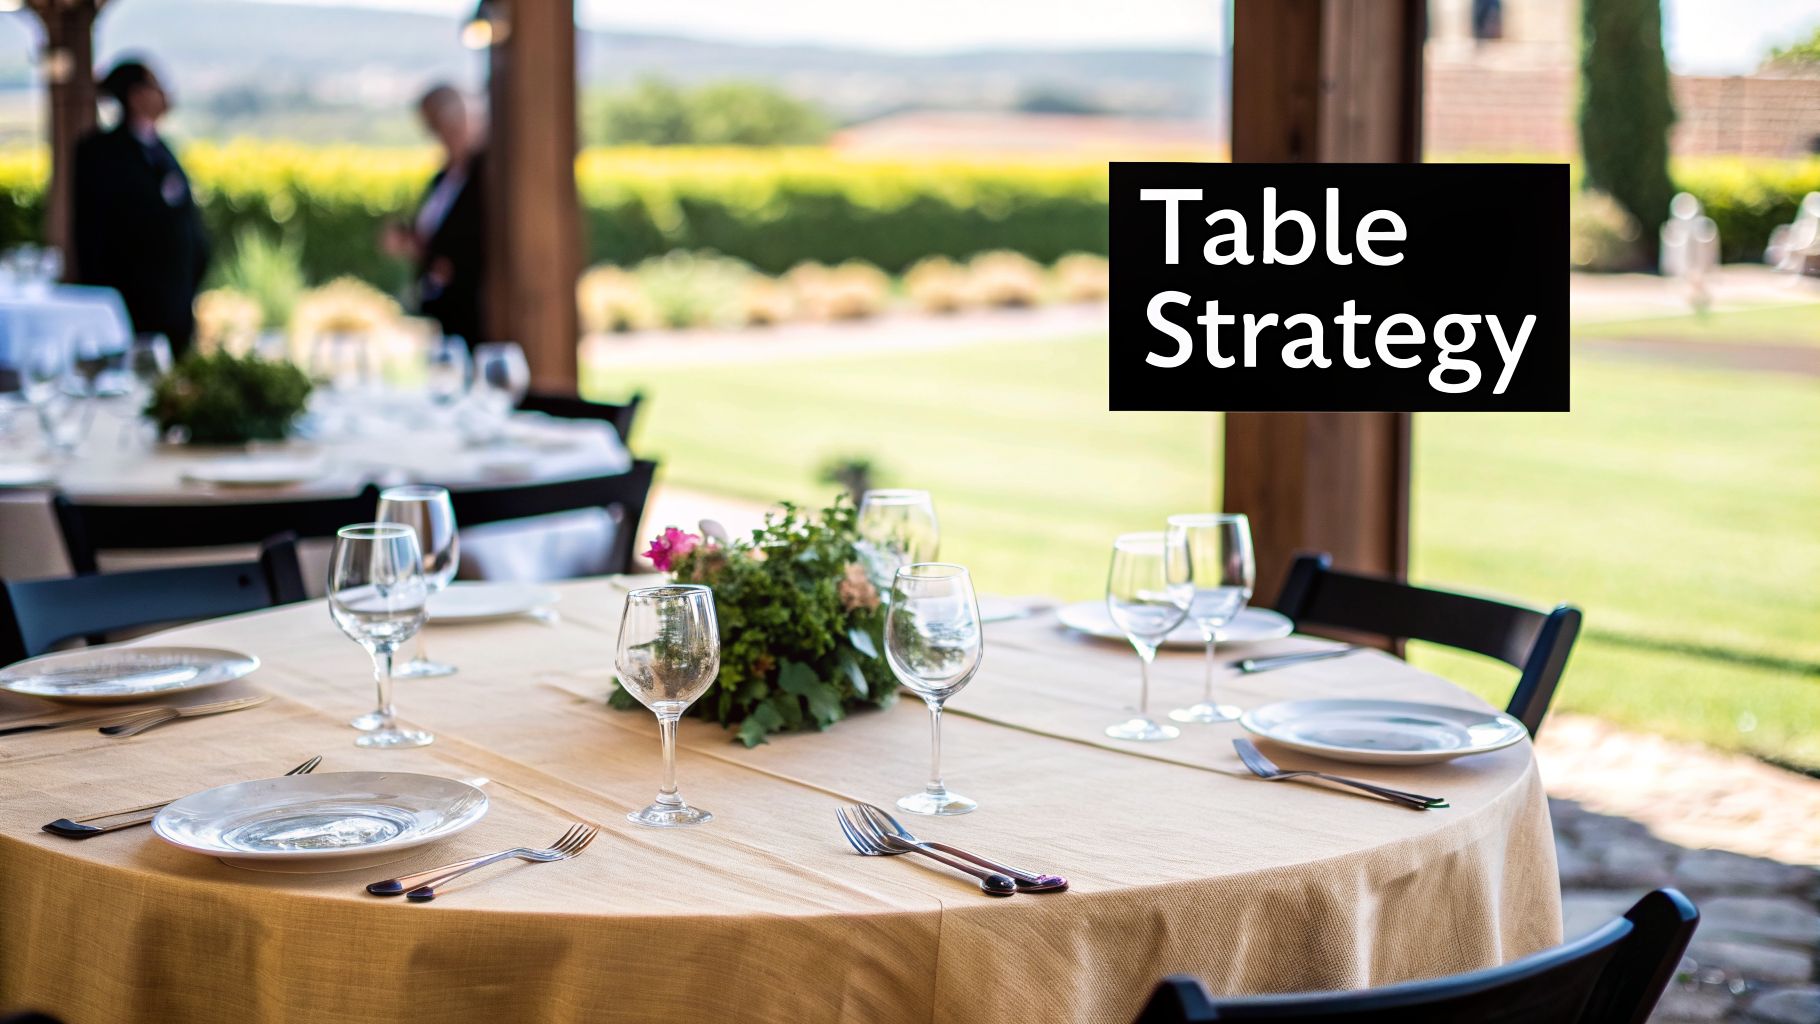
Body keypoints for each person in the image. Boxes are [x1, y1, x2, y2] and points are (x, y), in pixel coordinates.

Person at [72, 59, 209, 356]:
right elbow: (93, 233)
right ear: (135, 96)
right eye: (156, 86)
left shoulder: (162, 149)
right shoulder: (100, 153)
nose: (165, 94)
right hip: (133, 307)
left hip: (176, 301)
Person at [383, 84, 487, 347]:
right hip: (441, 307)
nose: (441, 137)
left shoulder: (483, 178)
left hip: (474, 309)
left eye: (444, 128)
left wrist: (442, 260)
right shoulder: (442, 178)